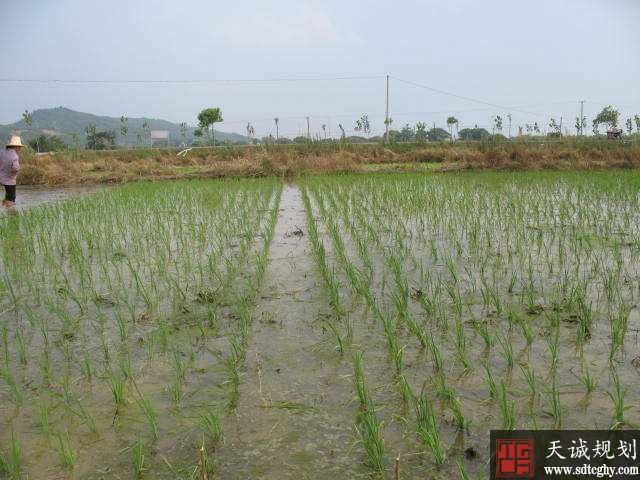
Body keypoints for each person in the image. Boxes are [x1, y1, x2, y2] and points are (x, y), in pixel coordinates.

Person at [0, 135, 23, 208]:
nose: (19, 149)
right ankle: (11, 215)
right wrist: (15, 172)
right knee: (11, 199)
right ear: (15, 147)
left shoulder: (2, 152)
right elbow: (15, 168)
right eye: (19, 147)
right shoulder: (14, 156)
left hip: (1, 177)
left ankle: (3, 205)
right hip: (10, 180)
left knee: (7, 197)